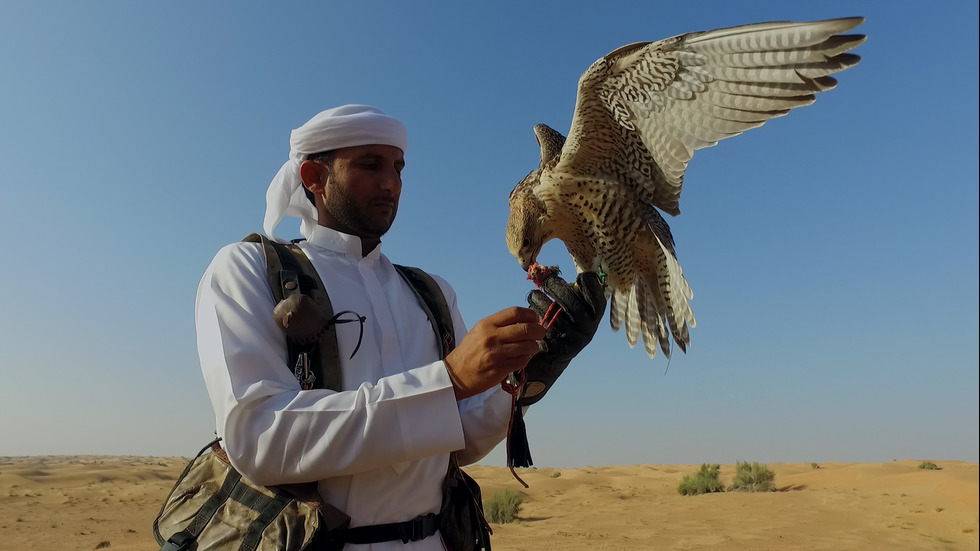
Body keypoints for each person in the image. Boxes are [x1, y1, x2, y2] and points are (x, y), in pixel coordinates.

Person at [195, 104, 605, 549]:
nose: (391, 184)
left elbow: (460, 440)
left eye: (398, 167)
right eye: (370, 165)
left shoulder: (430, 293)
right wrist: (447, 381)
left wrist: (532, 369)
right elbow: (259, 439)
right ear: (313, 176)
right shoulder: (250, 270)